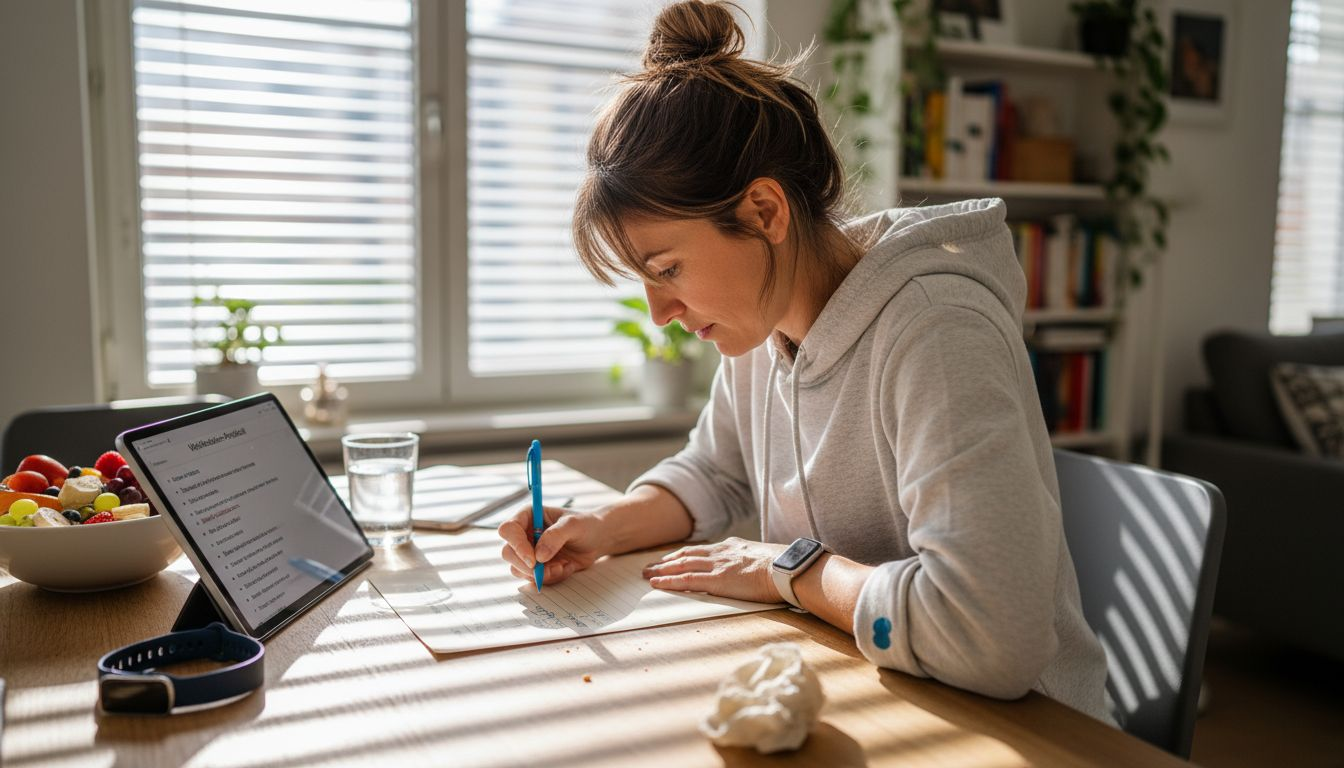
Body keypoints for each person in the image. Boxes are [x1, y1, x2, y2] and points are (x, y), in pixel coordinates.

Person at [498, 0, 1112, 723]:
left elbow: (989, 637)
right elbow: (716, 472)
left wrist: (788, 569)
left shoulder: (937, 333)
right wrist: (606, 527)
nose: (659, 312)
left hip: (1023, 731)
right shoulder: (761, 323)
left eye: (666, 269)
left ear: (764, 212)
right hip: (874, 692)